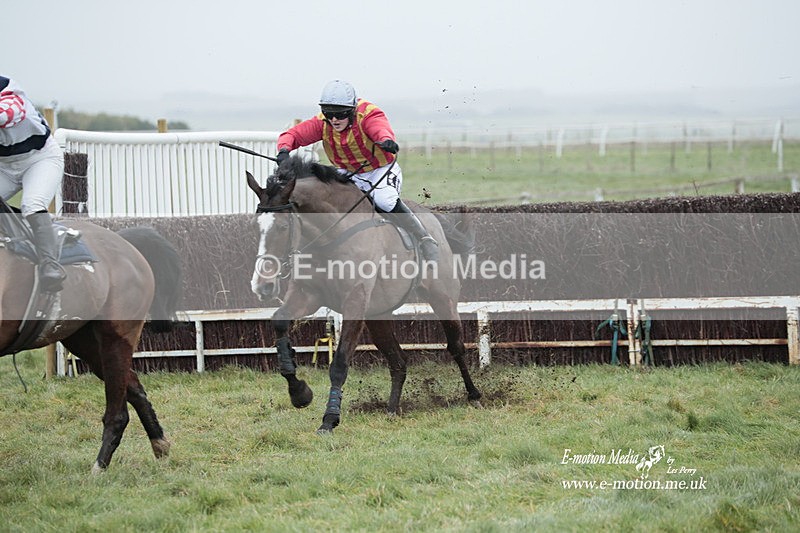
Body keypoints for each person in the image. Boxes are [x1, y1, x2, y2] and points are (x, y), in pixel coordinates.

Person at [276, 80, 439, 262]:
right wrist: (284, 150)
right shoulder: (323, 122)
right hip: (347, 172)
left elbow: (380, 129)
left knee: (385, 201)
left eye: (340, 114)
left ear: (352, 110)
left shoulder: (368, 115)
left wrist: (385, 140)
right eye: (329, 114)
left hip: (379, 170)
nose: (334, 120)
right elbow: (293, 135)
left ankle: (424, 237)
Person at [0, 76, 66, 291]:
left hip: (40, 160)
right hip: (4, 166)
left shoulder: (11, 94)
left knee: (32, 203)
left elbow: (8, 114)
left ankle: (50, 264)